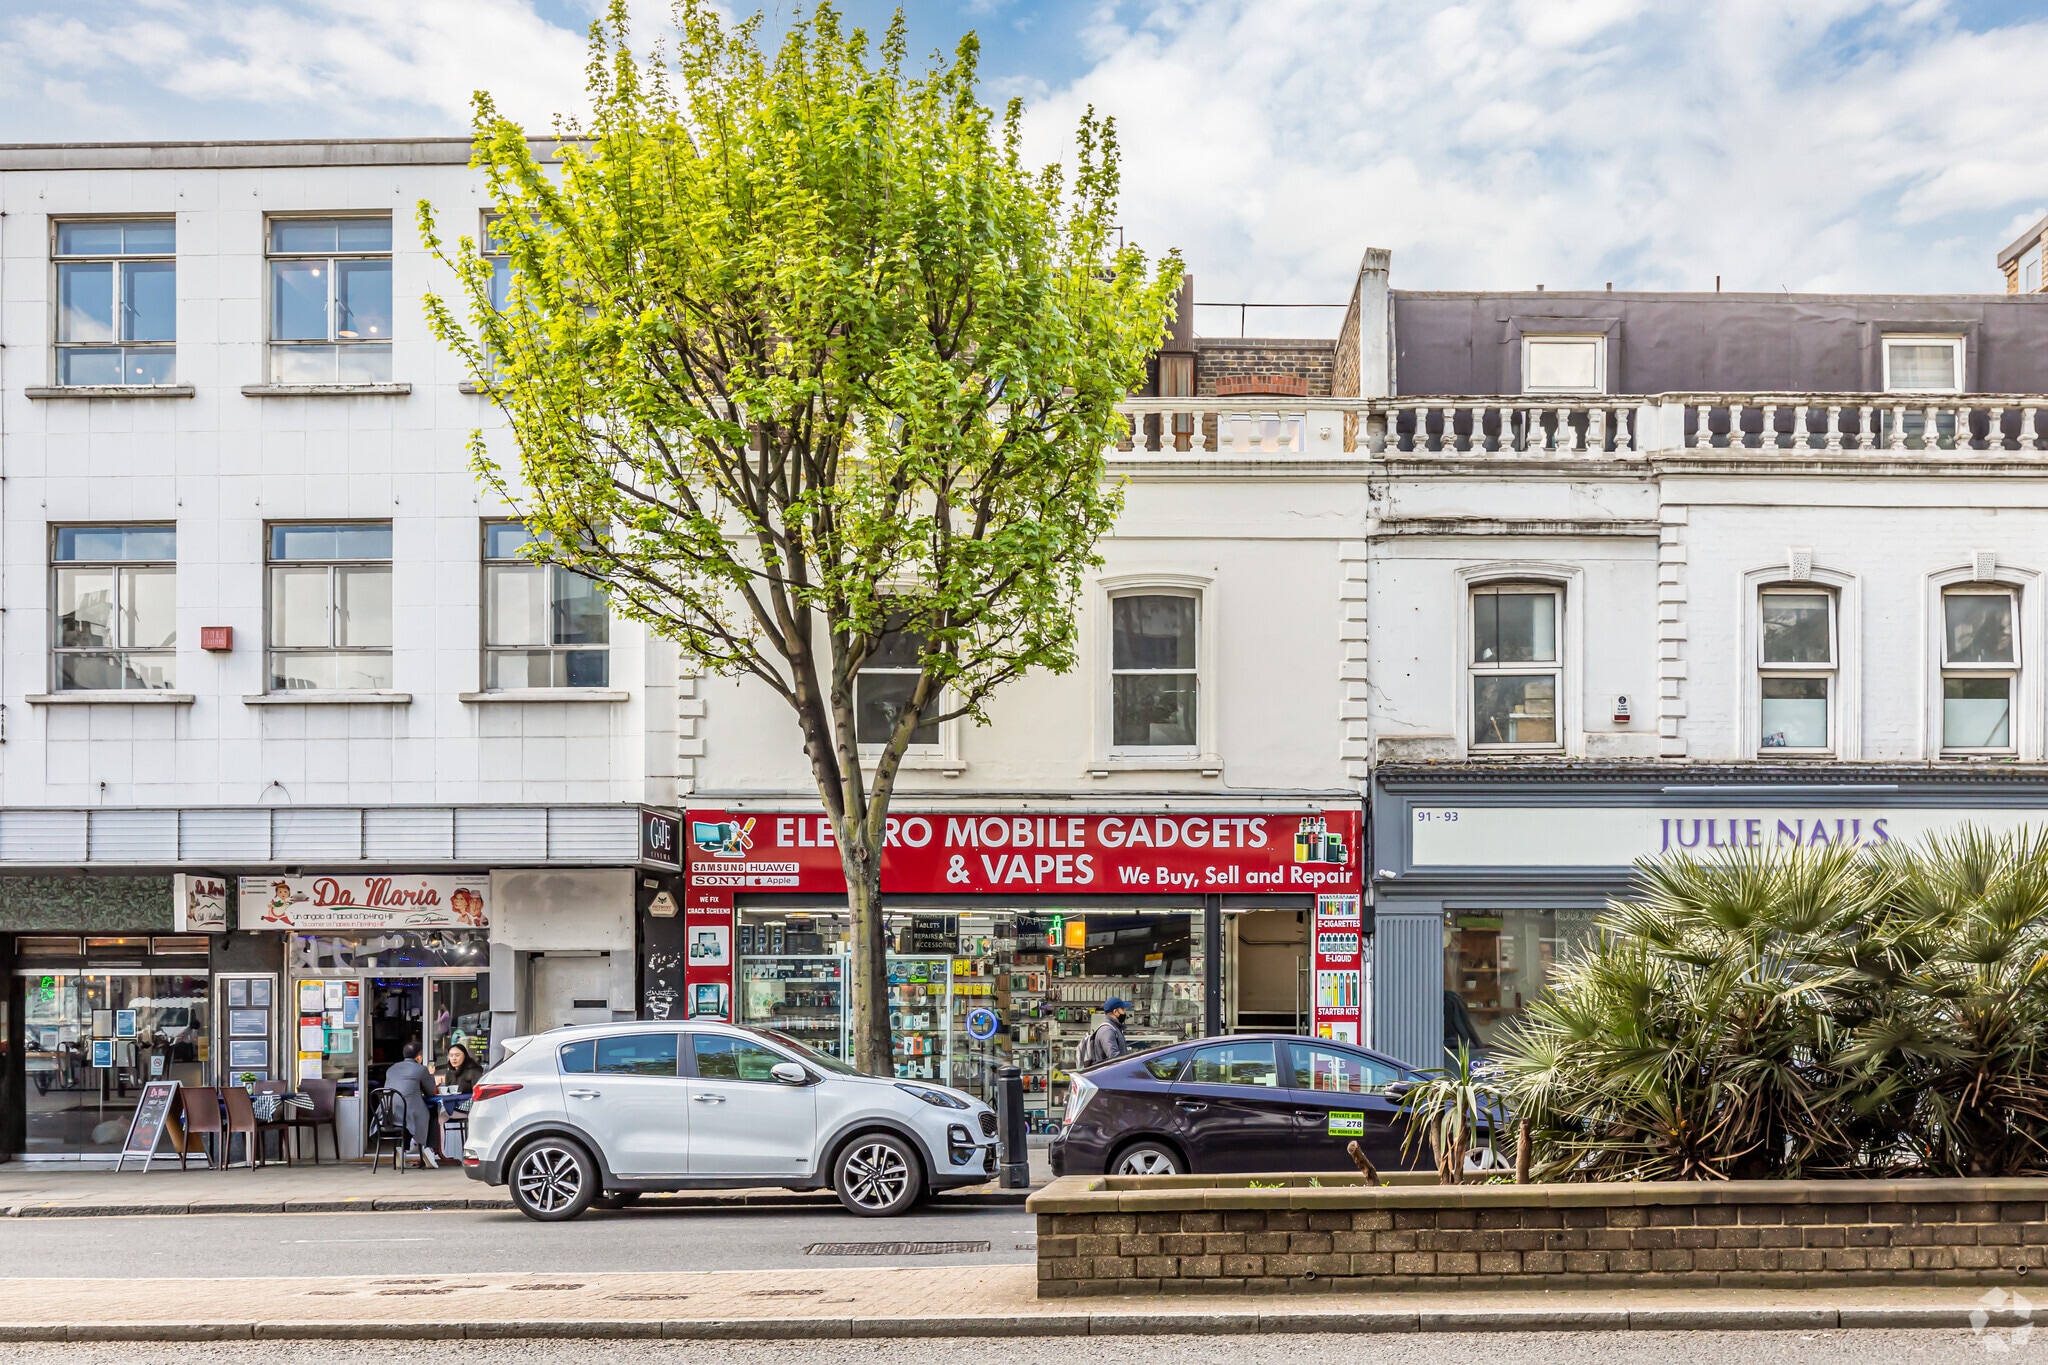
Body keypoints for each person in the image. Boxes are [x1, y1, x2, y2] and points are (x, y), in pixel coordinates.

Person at [384, 1040, 440, 1169]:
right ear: (419, 1056)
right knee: (432, 1112)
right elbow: (431, 1093)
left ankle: (401, 1149)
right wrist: (430, 1076)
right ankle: (428, 1149)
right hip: (409, 1112)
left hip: (388, 1113)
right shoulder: (421, 1069)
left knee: (407, 1117)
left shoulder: (391, 1069)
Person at [1078, 998, 1131, 1069]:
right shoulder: (1107, 1031)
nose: (1125, 1012)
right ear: (1115, 1012)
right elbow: (1114, 1059)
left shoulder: (1114, 1028)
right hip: (1109, 1077)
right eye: (1123, 1009)